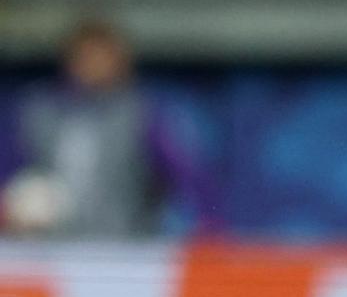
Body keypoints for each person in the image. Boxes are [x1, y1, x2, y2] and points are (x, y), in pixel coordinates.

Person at [3, 19, 203, 238]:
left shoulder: (141, 111)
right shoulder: (38, 110)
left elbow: (186, 174)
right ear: (69, 59)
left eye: (101, 56)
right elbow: (11, 172)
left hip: (120, 247)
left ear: (121, 61)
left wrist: (207, 228)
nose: (93, 65)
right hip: (49, 248)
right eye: (85, 56)